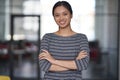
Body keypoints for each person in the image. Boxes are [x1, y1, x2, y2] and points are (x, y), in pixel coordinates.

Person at [39, 1, 90, 80]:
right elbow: (44, 65)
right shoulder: (47, 38)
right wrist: (74, 63)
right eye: (57, 15)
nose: (61, 18)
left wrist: (53, 61)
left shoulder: (81, 38)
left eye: (65, 14)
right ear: (54, 17)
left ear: (71, 15)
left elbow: (83, 64)